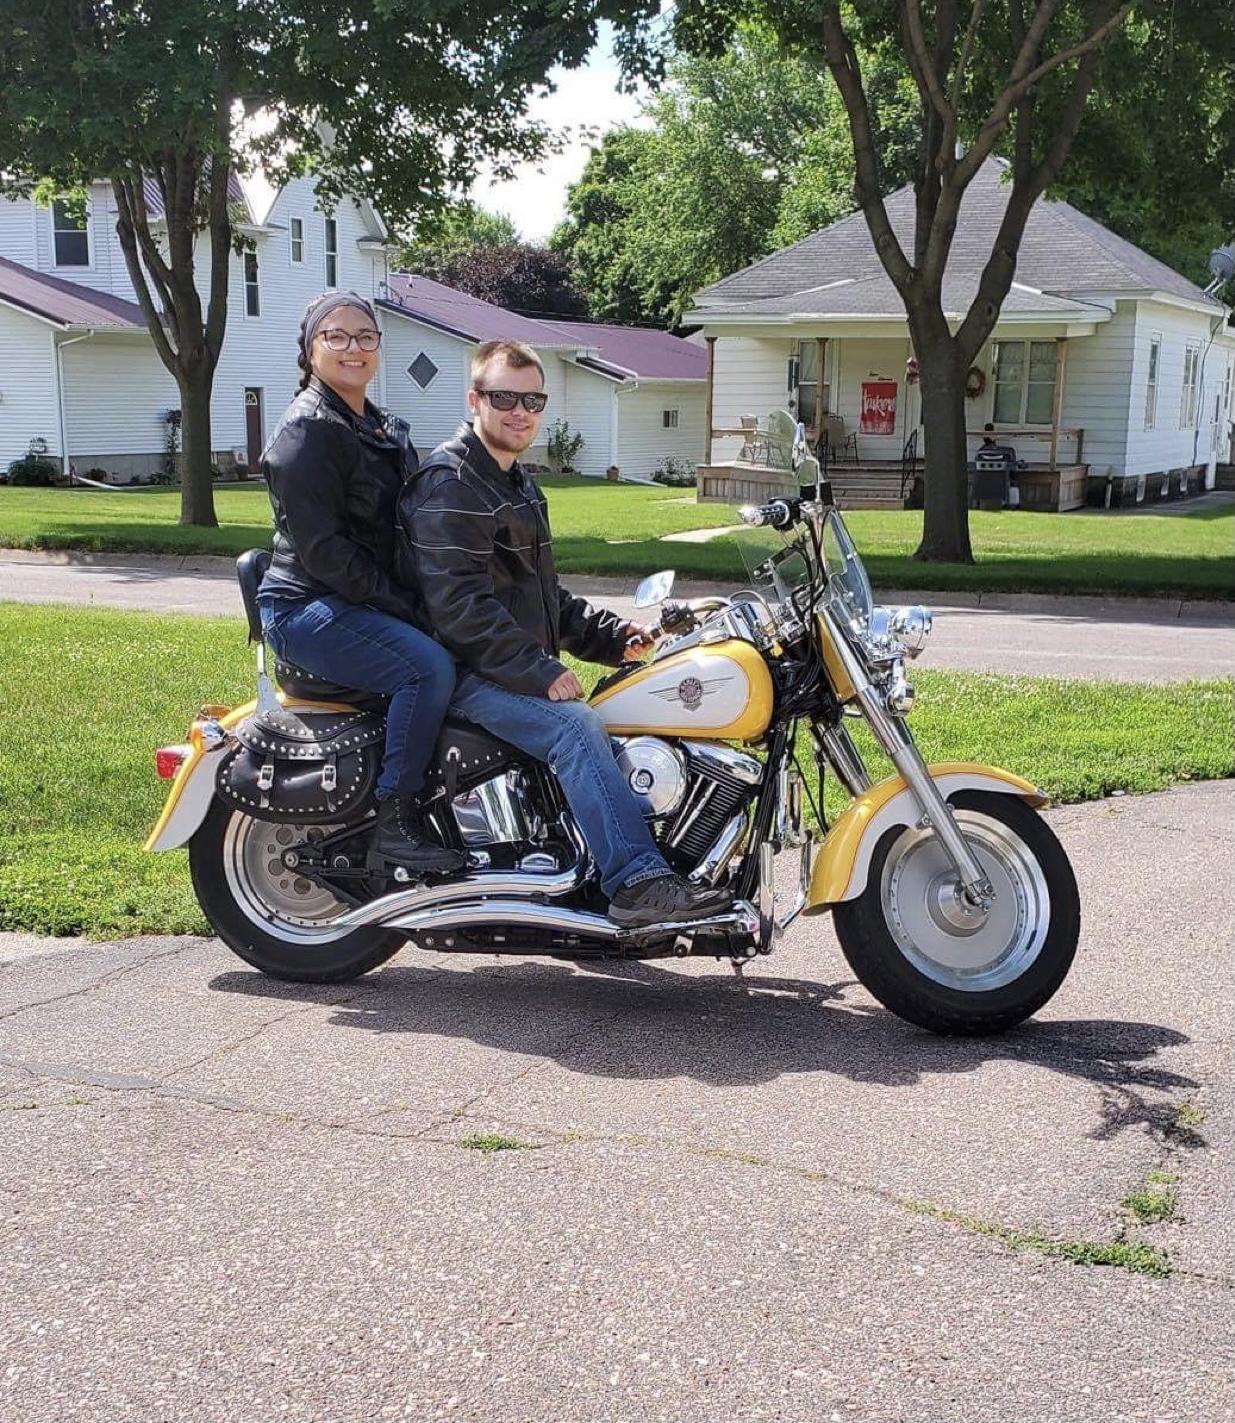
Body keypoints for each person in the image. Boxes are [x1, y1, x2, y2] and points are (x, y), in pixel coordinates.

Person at [396, 339, 733, 929]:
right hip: (465, 671)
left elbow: (543, 597)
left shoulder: (516, 482)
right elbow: (459, 610)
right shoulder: (449, 484)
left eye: (533, 399)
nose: (520, 411)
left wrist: (611, 638)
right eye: (504, 397)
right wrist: (540, 670)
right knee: (576, 727)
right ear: (475, 399)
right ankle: (636, 881)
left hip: (500, 662)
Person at [256, 291, 463, 874]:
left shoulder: (384, 426)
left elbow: (416, 519)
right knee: (426, 667)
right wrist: (411, 611)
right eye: (337, 337)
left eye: (365, 337)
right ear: (311, 348)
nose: (354, 348)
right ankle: (396, 822)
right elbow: (326, 555)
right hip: (307, 606)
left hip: (360, 598)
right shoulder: (306, 433)